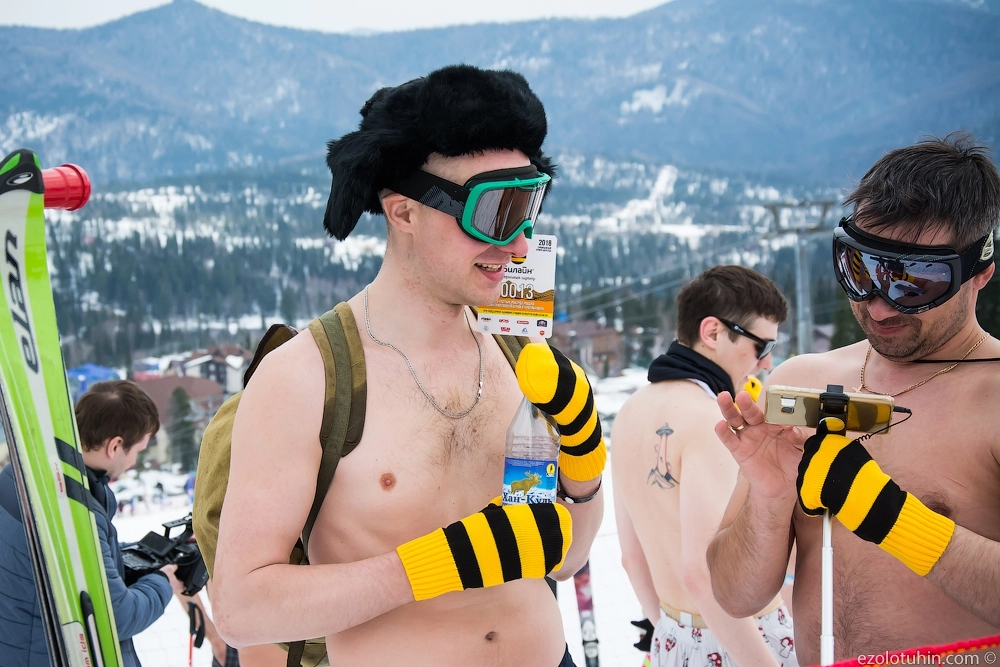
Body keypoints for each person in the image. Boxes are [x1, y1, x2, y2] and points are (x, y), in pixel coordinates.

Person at [210, 64, 605, 667]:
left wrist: (584, 461)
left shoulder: (519, 353)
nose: (520, 243)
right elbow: (242, 609)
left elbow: (565, 558)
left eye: (529, 205)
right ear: (403, 213)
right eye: (495, 212)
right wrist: (431, 566)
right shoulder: (308, 377)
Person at [707, 133, 1000, 664]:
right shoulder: (803, 381)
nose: (879, 306)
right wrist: (769, 499)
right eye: (859, 271)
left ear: (980, 271)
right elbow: (734, 596)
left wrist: (894, 519)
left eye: (914, 283)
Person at [612, 266, 796, 667]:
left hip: (674, 638)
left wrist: (674, 634)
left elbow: (631, 557)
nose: (766, 363)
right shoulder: (710, 421)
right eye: (761, 346)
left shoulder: (630, 411)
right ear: (712, 332)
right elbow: (703, 575)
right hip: (745, 640)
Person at [0, 380, 177, 667]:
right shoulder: (73, 511)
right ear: (115, 446)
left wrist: (145, 552)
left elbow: (69, 559)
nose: (134, 462)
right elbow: (117, 618)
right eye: (137, 450)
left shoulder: (23, 474)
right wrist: (165, 581)